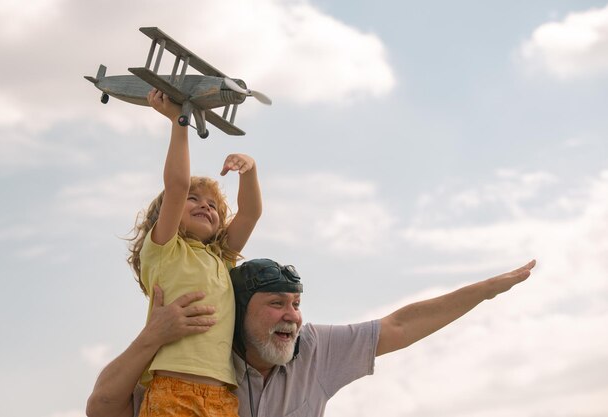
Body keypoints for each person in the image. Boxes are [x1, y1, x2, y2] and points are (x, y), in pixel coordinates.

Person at [86, 258, 536, 417]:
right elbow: (102, 409)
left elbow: (400, 326)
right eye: (277, 304)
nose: (293, 316)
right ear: (240, 312)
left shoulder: (316, 349)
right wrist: (151, 337)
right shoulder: (196, 358)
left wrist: (484, 291)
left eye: (296, 304)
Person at [126, 89, 262, 417]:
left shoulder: (221, 257)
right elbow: (176, 186)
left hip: (220, 395)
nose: (205, 205)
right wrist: (179, 122)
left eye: (213, 205)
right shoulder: (165, 249)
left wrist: (250, 169)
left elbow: (250, 214)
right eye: (194, 200)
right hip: (172, 388)